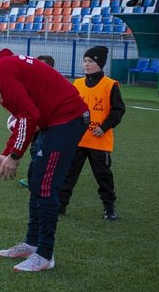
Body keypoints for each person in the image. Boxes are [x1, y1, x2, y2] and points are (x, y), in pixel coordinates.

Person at [0, 32, 89, 272]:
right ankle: (32, 244)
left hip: (67, 119)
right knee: (36, 181)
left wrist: (15, 156)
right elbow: (24, 116)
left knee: (45, 186)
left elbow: (29, 115)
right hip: (53, 122)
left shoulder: (0, 70)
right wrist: (7, 152)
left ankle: (45, 254)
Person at [58, 46, 125, 220]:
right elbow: (70, 108)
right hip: (78, 139)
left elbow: (118, 111)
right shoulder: (78, 83)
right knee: (68, 174)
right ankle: (61, 204)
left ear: (100, 64)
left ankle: (109, 208)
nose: (86, 64)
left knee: (103, 176)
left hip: (99, 140)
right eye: (85, 61)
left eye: (91, 61)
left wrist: (103, 127)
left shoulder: (110, 85)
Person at [18, 55, 56, 188]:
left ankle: (35, 179)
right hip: (36, 125)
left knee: (41, 152)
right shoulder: (34, 83)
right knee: (35, 150)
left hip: (49, 127)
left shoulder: (54, 85)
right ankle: (36, 177)